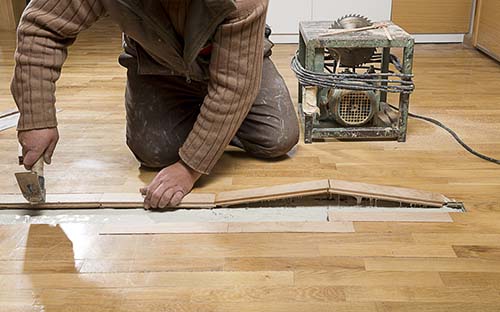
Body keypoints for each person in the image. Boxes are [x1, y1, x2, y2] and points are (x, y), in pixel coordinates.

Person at [12, 0, 300, 209]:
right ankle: (214, 120)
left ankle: (216, 119)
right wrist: (37, 118)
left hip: (232, 58)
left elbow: (233, 84)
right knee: (153, 152)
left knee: (278, 137)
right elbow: (41, 26)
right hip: (157, 62)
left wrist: (189, 168)